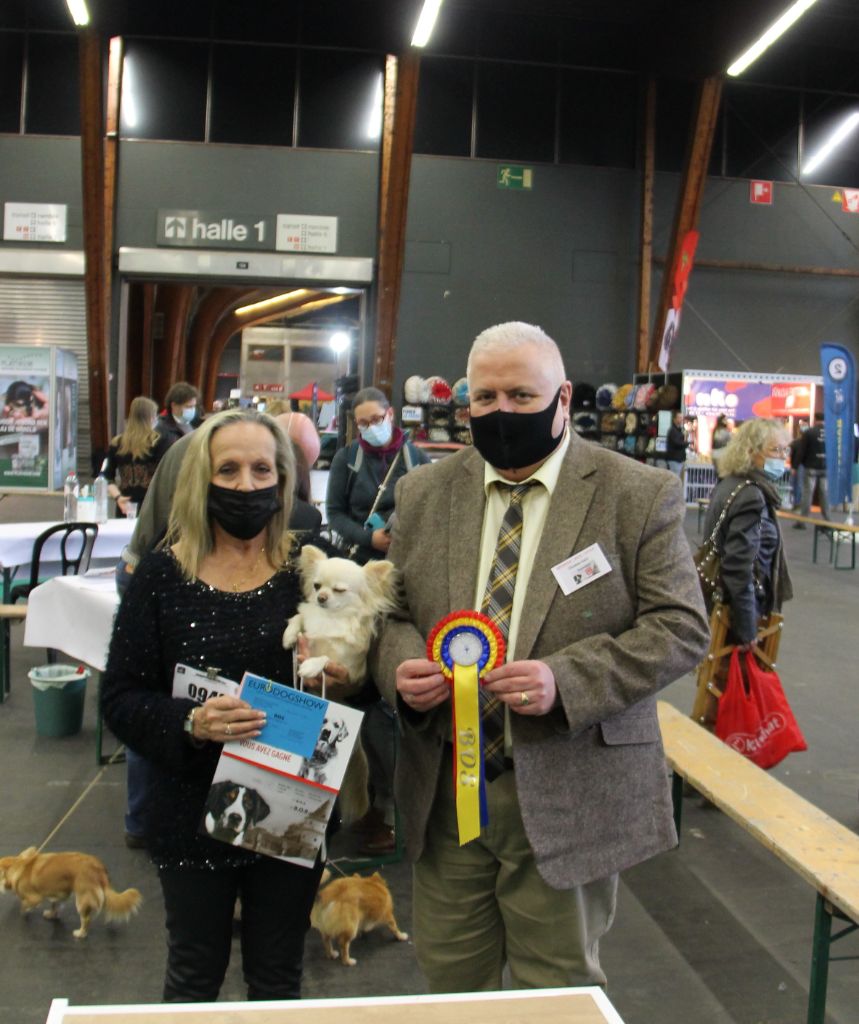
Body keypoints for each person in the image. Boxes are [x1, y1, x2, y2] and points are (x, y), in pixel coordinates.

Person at [372, 321, 710, 992]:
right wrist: (399, 665)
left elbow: (679, 627)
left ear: (562, 401)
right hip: (446, 795)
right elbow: (393, 613)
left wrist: (565, 678)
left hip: (570, 786)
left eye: (521, 397)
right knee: (450, 988)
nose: (502, 413)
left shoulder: (635, 494)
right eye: (485, 398)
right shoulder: (423, 492)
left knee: (554, 992)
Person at [101, 409, 342, 1003]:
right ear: (198, 479)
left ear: (284, 479)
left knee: (279, 975)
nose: (245, 484)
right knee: (192, 974)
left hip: (290, 806)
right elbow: (121, 697)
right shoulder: (161, 576)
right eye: (227, 469)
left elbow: (359, 672)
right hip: (188, 811)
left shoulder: (309, 569)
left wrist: (340, 676)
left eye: (262, 468)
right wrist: (189, 722)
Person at [325, 386, 431, 854]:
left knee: (391, 702)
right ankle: (362, 811)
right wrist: (370, 540)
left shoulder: (417, 458)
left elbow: (429, 515)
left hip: (401, 584)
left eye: (376, 418)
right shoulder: (346, 459)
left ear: (391, 414)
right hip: (353, 581)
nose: (370, 427)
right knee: (355, 690)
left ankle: (396, 807)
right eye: (362, 422)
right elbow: (334, 514)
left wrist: (396, 539)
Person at [699, 418, 794, 727]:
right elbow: (738, 566)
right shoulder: (751, 494)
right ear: (753, 452)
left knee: (717, 692)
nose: (782, 456)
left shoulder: (729, 483)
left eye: (785, 449)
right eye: (775, 450)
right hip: (738, 611)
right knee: (731, 700)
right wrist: (746, 626)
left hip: (721, 605)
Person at [104, 396, 171, 517]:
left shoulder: (117, 443)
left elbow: (106, 477)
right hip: (152, 506)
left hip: (125, 504)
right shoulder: (159, 441)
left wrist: (118, 497)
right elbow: (166, 476)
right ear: (151, 417)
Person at [795, 411, 831, 527]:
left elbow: (802, 451)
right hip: (825, 468)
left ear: (815, 420)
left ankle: (803, 521)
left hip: (810, 467)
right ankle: (827, 520)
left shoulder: (809, 433)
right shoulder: (831, 433)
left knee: (807, 493)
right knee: (824, 493)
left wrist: (795, 465)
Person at [156, 382, 200, 447]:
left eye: (194, 406)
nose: (192, 410)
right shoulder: (160, 429)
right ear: (174, 405)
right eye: (188, 406)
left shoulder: (195, 423)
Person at [664, 411, 688, 476]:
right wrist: (686, 443)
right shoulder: (672, 430)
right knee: (675, 478)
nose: (681, 419)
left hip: (679, 459)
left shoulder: (679, 430)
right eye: (679, 417)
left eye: (682, 417)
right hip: (674, 460)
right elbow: (677, 443)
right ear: (674, 419)